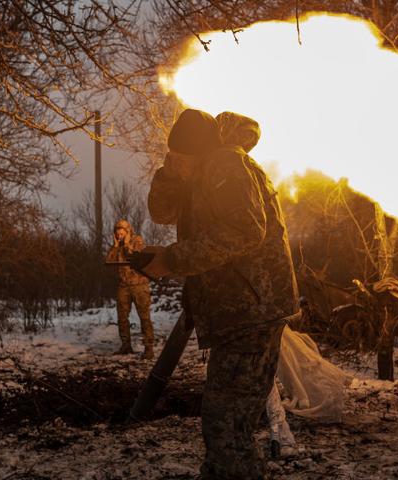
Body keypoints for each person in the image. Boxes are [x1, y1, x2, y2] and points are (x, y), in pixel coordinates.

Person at [145, 109, 300, 479]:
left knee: (226, 428)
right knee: (227, 428)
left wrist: (173, 259)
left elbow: (246, 230)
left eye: (181, 157)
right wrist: (171, 171)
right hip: (240, 314)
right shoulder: (199, 173)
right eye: (172, 157)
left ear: (197, 153)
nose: (176, 163)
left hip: (251, 312)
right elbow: (160, 212)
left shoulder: (225, 165)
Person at [105, 219, 154, 359]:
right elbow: (109, 261)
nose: (119, 235)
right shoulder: (117, 245)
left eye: (122, 233)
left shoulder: (137, 240)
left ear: (128, 231)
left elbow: (134, 255)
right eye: (117, 233)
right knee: (122, 318)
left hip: (139, 285)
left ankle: (149, 348)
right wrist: (115, 246)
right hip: (124, 286)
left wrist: (126, 244)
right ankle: (126, 345)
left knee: (144, 318)